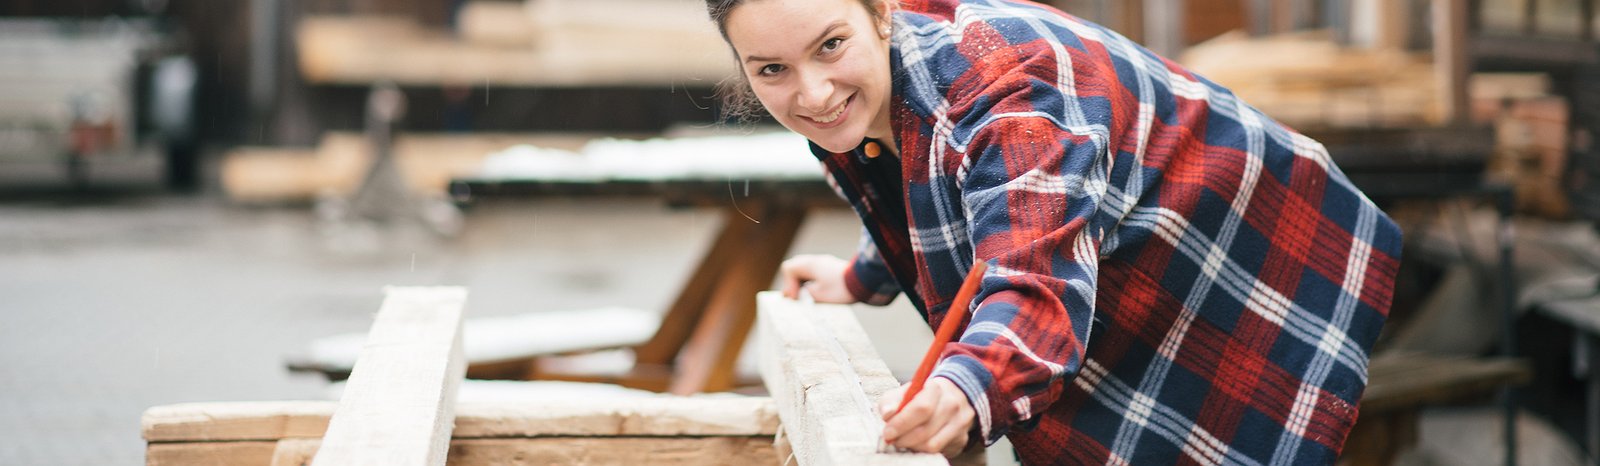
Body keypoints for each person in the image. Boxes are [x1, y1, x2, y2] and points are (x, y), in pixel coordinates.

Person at [703, 0, 1403, 463]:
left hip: (1258, 251)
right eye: (772, 70)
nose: (814, 93)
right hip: (1132, 251)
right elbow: (943, 185)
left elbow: (1033, 282)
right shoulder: (862, 88)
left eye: (830, 47)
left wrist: (966, 387)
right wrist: (863, 274)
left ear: (882, 11)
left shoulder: (1010, 92)